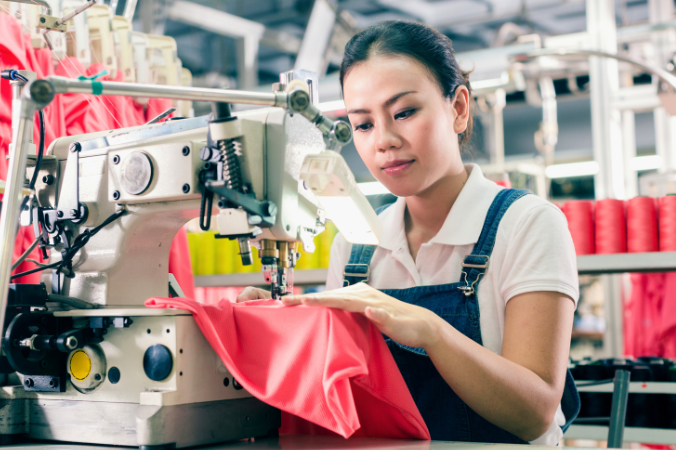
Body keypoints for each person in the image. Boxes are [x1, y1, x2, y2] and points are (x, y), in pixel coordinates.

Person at [237, 20, 580, 445]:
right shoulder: (356, 242)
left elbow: (535, 412)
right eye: (362, 125)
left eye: (404, 113)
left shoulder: (528, 224)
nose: (384, 141)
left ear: (458, 108)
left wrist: (432, 331)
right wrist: (277, 332)